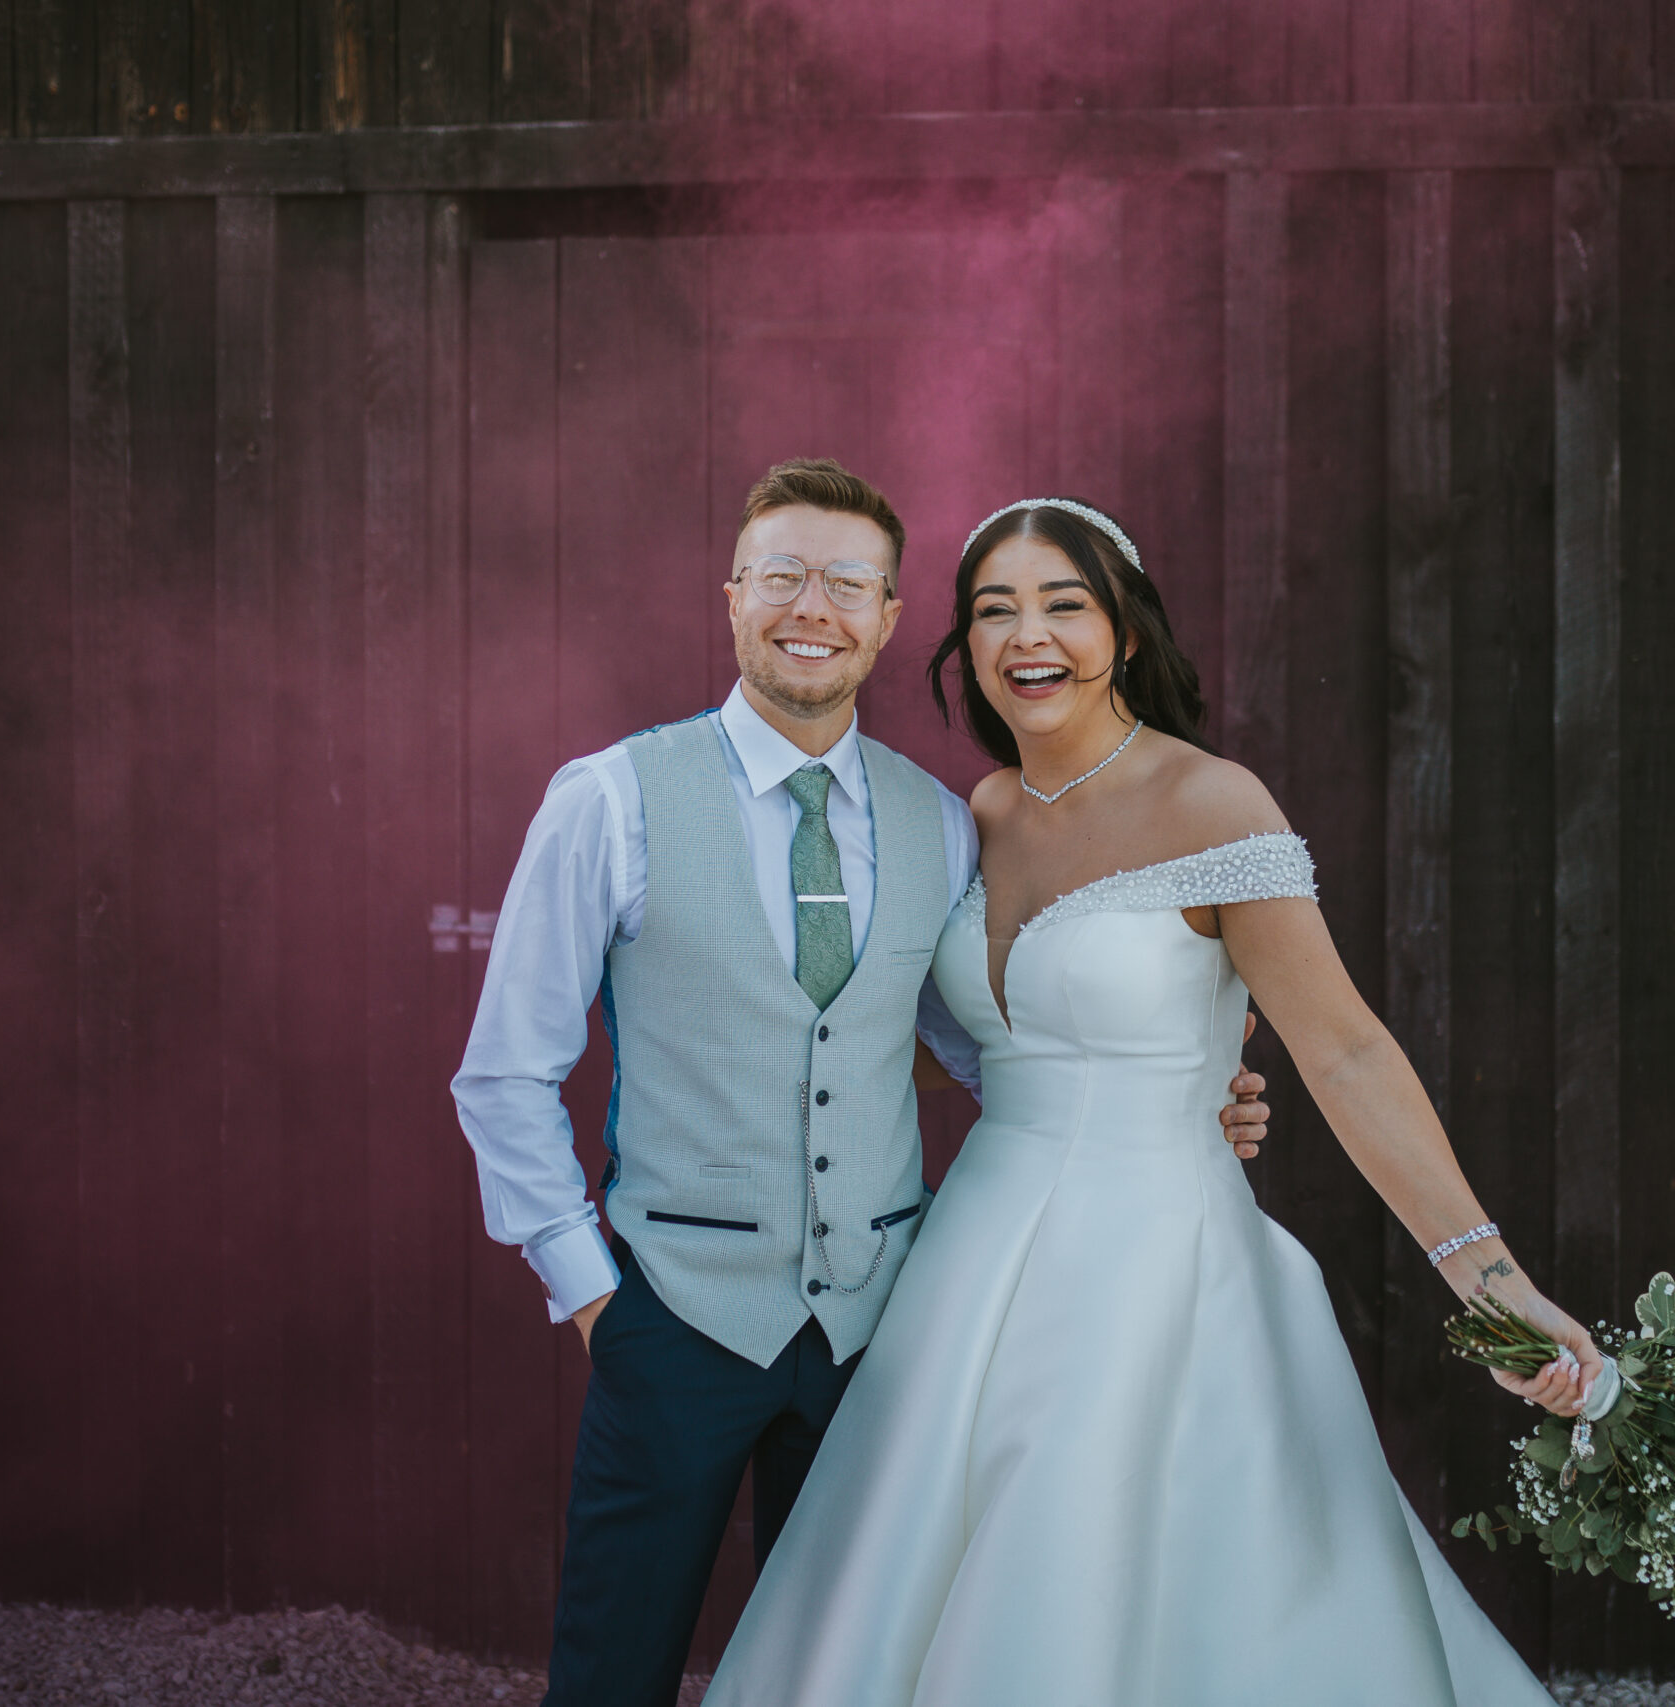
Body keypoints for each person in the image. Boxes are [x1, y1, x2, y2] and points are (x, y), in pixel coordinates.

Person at [705, 497, 1605, 1705]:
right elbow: (938, 1045)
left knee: (1099, 1564)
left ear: (1125, 632)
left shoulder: (1214, 804)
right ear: (962, 647)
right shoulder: (976, 816)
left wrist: (1496, 1291)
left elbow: (1343, 1055)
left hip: (1157, 1268)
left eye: (1063, 605)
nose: (1030, 634)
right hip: (969, 1263)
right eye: (994, 610)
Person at [449, 461, 1274, 1707]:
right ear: (732, 597)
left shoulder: (943, 820)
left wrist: (1170, 1095)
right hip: (671, 1310)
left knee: (847, 1671)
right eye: (781, 574)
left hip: (880, 1322)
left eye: (848, 583)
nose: (811, 608)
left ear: (889, 620)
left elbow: (970, 1040)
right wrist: (591, 1296)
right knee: (614, 1668)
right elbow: (506, 1072)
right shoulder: (610, 800)